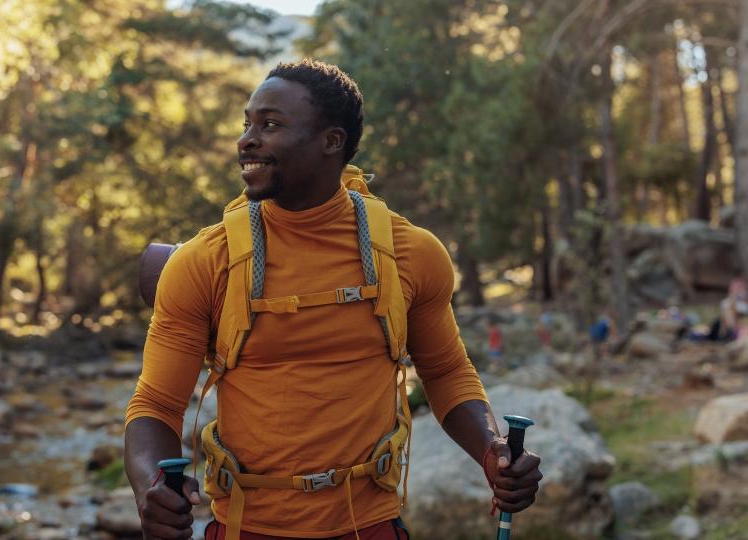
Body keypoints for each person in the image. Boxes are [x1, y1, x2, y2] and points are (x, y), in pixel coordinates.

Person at [124, 59, 542, 540]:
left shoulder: (410, 254)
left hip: (370, 527)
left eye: (271, 125)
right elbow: (155, 403)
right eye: (247, 124)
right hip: (245, 528)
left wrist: (493, 451)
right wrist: (150, 485)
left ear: (332, 141)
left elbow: (447, 372)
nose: (247, 140)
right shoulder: (206, 261)